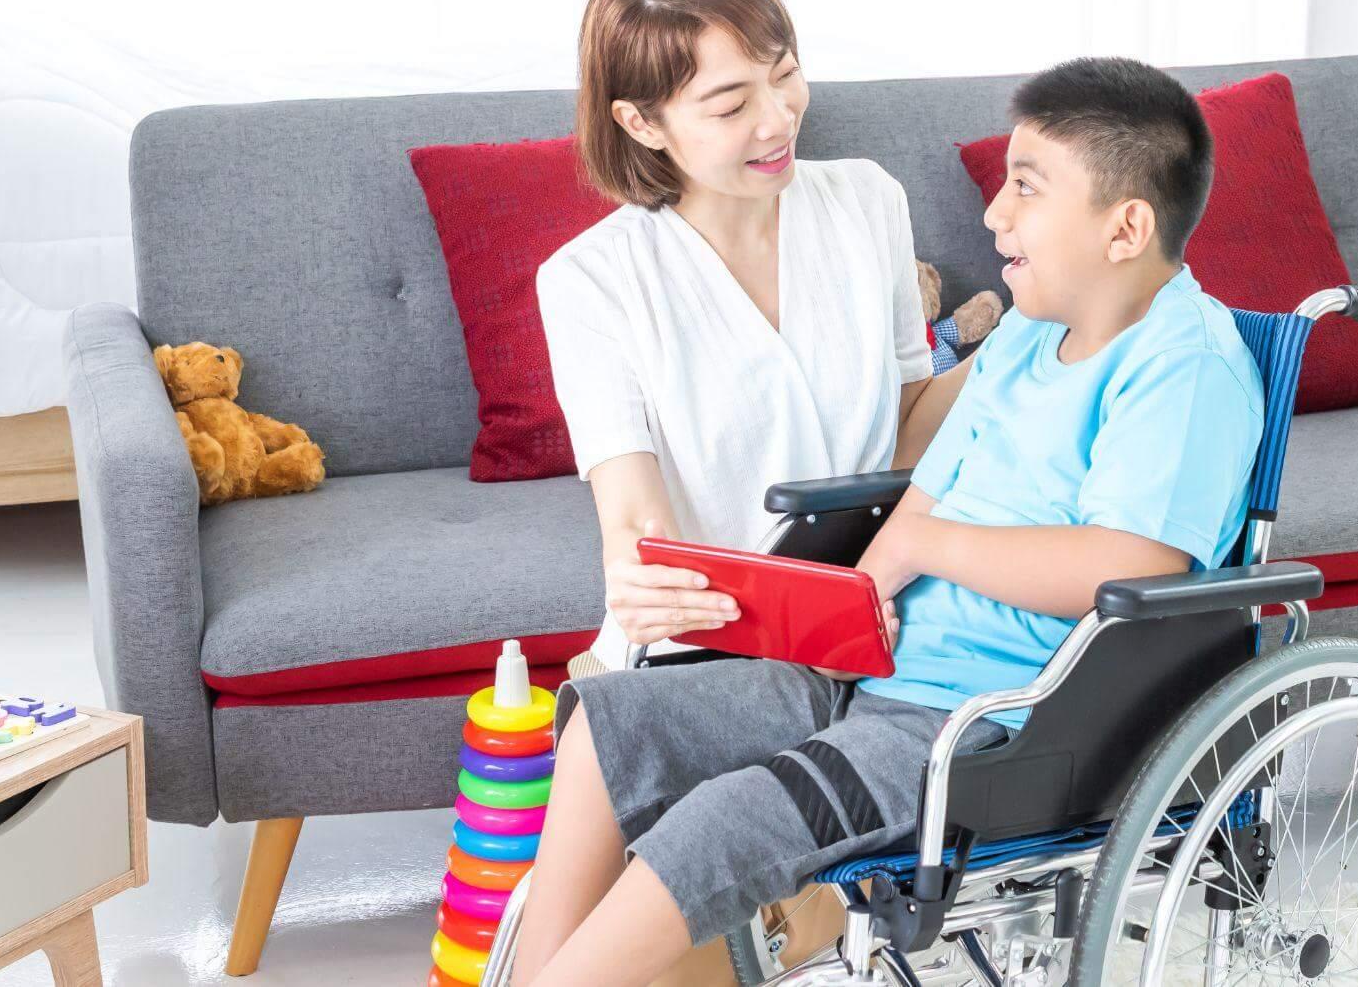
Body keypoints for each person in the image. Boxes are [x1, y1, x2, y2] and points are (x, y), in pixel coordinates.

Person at [516, 57, 1267, 987]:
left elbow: (1133, 563)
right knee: (613, 726)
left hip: (990, 720)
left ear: (1126, 226)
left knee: (720, 821)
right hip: (878, 664)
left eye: (1025, 189)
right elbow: (923, 495)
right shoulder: (1029, 336)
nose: (993, 214)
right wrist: (857, 598)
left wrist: (927, 548)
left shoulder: (1183, 367)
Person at [538, 0, 973, 677]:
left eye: (786, 73)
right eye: (733, 103)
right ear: (642, 123)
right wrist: (645, 585)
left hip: (875, 617)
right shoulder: (592, 279)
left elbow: (908, 421)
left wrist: (1041, 331)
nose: (778, 119)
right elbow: (640, 531)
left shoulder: (869, 200)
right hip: (709, 646)